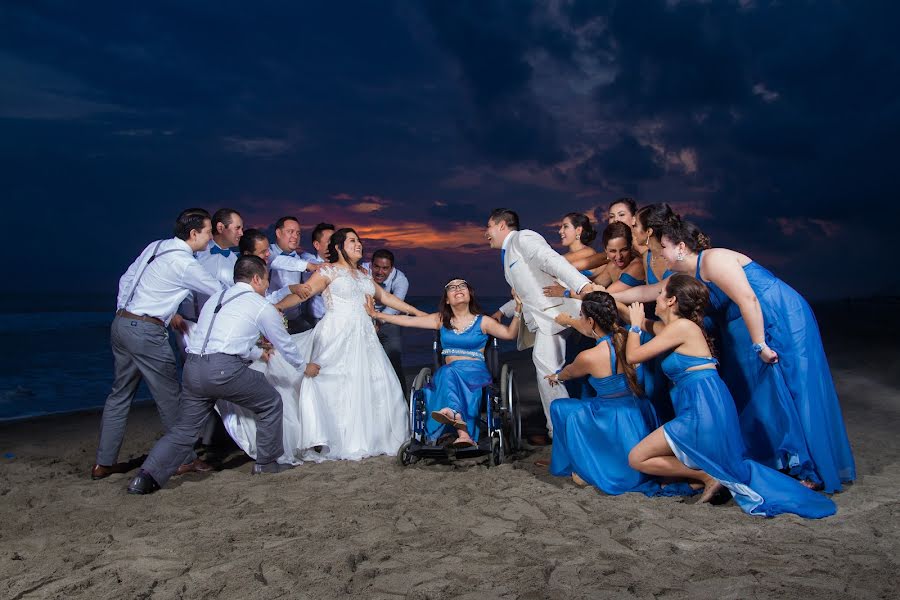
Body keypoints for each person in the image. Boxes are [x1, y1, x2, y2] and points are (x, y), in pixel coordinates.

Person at [613, 217, 856, 493]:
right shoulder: (684, 278)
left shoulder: (713, 260)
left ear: (680, 247)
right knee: (762, 393)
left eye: (664, 248)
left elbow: (748, 299)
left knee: (794, 387)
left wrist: (760, 344)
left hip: (777, 317)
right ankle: (780, 459)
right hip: (743, 327)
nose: (660, 255)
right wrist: (604, 295)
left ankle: (811, 467)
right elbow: (646, 291)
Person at [624, 275, 837, 518]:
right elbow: (650, 327)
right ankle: (705, 475)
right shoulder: (677, 329)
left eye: (660, 293)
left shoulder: (683, 328)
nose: (656, 298)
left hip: (702, 406)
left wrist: (633, 325)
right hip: (700, 403)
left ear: (671, 300)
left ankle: (706, 476)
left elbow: (633, 356)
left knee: (637, 458)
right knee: (659, 469)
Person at [222, 228, 424, 463]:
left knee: (376, 383)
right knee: (335, 384)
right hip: (336, 334)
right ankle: (334, 438)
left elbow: (388, 298)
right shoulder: (327, 271)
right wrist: (276, 308)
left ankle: (374, 437)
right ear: (338, 247)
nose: (358, 244)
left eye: (358, 240)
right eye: (352, 241)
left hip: (365, 336)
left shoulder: (364, 275)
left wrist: (419, 313)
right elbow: (303, 295)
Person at [126, 256, 318, 494]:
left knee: (184, 430)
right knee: (270, 401)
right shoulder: (259, 305)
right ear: (257, 278)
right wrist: (304, 366)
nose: (267, 286)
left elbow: (227, 338)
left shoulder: (216, 299)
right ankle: (267, 463)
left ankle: (145, 477)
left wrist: (258, 353)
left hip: (192, 368)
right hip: (223, 370)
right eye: (267, 280)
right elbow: (285, 344)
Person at [92, 208, 224, 481]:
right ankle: (184, 459)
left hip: (121, 323)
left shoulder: (156, 246)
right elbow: (219, 291)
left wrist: (126, 309)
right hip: (146, 332)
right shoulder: (185, 263)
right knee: (171, 397)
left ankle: (103, 463)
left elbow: (126, 279)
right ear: (194, 233)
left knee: (119, 395)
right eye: (209, 232)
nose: (211, 238)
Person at [545, 292, 693, 496]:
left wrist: (556, 376)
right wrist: (569, 321)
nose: (580, 320)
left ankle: (577, 465)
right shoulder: (627, 336)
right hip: (640, 409)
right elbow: (593, 332)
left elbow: (569, 372)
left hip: (612, 415)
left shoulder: (589, 356)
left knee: (560, 407)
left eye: (581, 317)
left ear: (590, 321)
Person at [485, 208, 599, 445]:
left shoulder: (522, 238)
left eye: (488, 227)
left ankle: (564, 437)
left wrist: (583, 287)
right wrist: (502, 311)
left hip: (556, 315)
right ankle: (560, 435)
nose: (487, 233)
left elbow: (551, 261)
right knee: (548, 374)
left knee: (550, 374)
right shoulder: (508, 254)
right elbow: (527, 292)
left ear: (502, 225)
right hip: (543, 320)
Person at [366, 278, 521, 446]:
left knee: (448, 372)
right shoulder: (441, 320)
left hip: (474, 374)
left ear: (469, 294)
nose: (458, 289)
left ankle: (452, 415)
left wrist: (518, 309)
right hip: (449, 374)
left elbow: (510, 334)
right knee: (447, 372)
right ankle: (462, 431)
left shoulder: (483, 321)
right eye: (452, 287)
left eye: (462, 286)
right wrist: (376, 314)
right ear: (447, 299)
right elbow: (408, 321)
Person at [367, 249, 410, 397]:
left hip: (389, 320)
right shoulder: (362, 271)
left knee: (394, 359)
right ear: (371, 265)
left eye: (385, 268)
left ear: (391, 269)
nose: (379, 272)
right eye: (376, 267)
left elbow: (394, 306)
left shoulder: (401, 280)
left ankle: (403, 402)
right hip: (364, 317)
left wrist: (378, 324)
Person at [267, 216, 319, 333]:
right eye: (290, 232)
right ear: (278, 233)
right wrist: (307, 266)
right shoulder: (268, 253)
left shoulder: (298, 258)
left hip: (295, 318)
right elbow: (279, 262)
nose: (295, 236)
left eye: (298, 233)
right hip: (272, 316)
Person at [298, 222, 335, 328]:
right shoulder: (309, 261)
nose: (333, 245)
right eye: (329, 241)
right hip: (316, 322)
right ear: (317, 245)